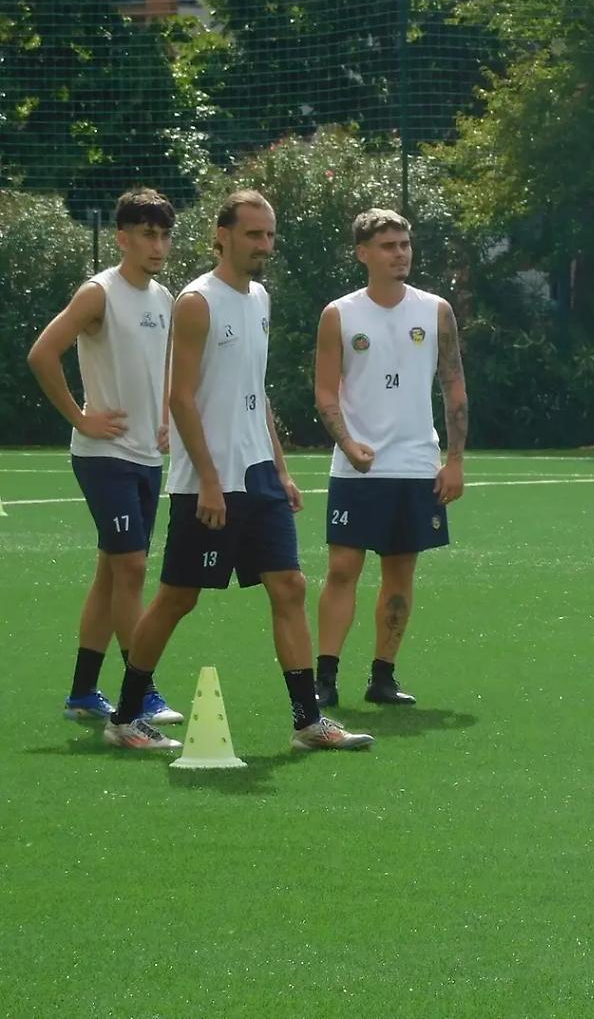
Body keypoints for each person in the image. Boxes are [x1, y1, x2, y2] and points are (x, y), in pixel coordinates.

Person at [103, 189, 372, 752]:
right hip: (209, 482)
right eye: (254, 234)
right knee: (179, 596)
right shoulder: (198, 301)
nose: (264, 245)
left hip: (257, 477)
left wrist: (281, 469)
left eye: (270, 235)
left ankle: (308, 723)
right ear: (222, 235)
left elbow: (255, 392)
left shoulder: (261, 299)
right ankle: (125, 718)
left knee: (290, 585)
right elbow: (179, 398)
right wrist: (205, 478)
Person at [27, 188, 183, 727]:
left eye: (164, 235)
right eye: (147, 235)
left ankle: (82, 693)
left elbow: (163, 369)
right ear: (122, 238)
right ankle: (142, 692)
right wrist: (80, 417)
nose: (158, 245)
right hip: (102, 454)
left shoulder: (165, 299)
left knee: (111, 574)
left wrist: (166, 417)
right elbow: (43, 353)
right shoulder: (100, 293)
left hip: (145, 457)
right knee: (133, 567)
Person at [312, 208, 467, 709]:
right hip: (358, 468)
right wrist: (348, 444)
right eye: (388, 246)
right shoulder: (339, 314)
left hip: (416, 466)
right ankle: (325, 678)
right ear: (363, 254)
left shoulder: (436, 310)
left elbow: (454, 386)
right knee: (342, 568)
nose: (400, 254)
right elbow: (325, 393)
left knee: (400, 575)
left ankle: (383, 676)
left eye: (404, 245)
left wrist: (455, 460)